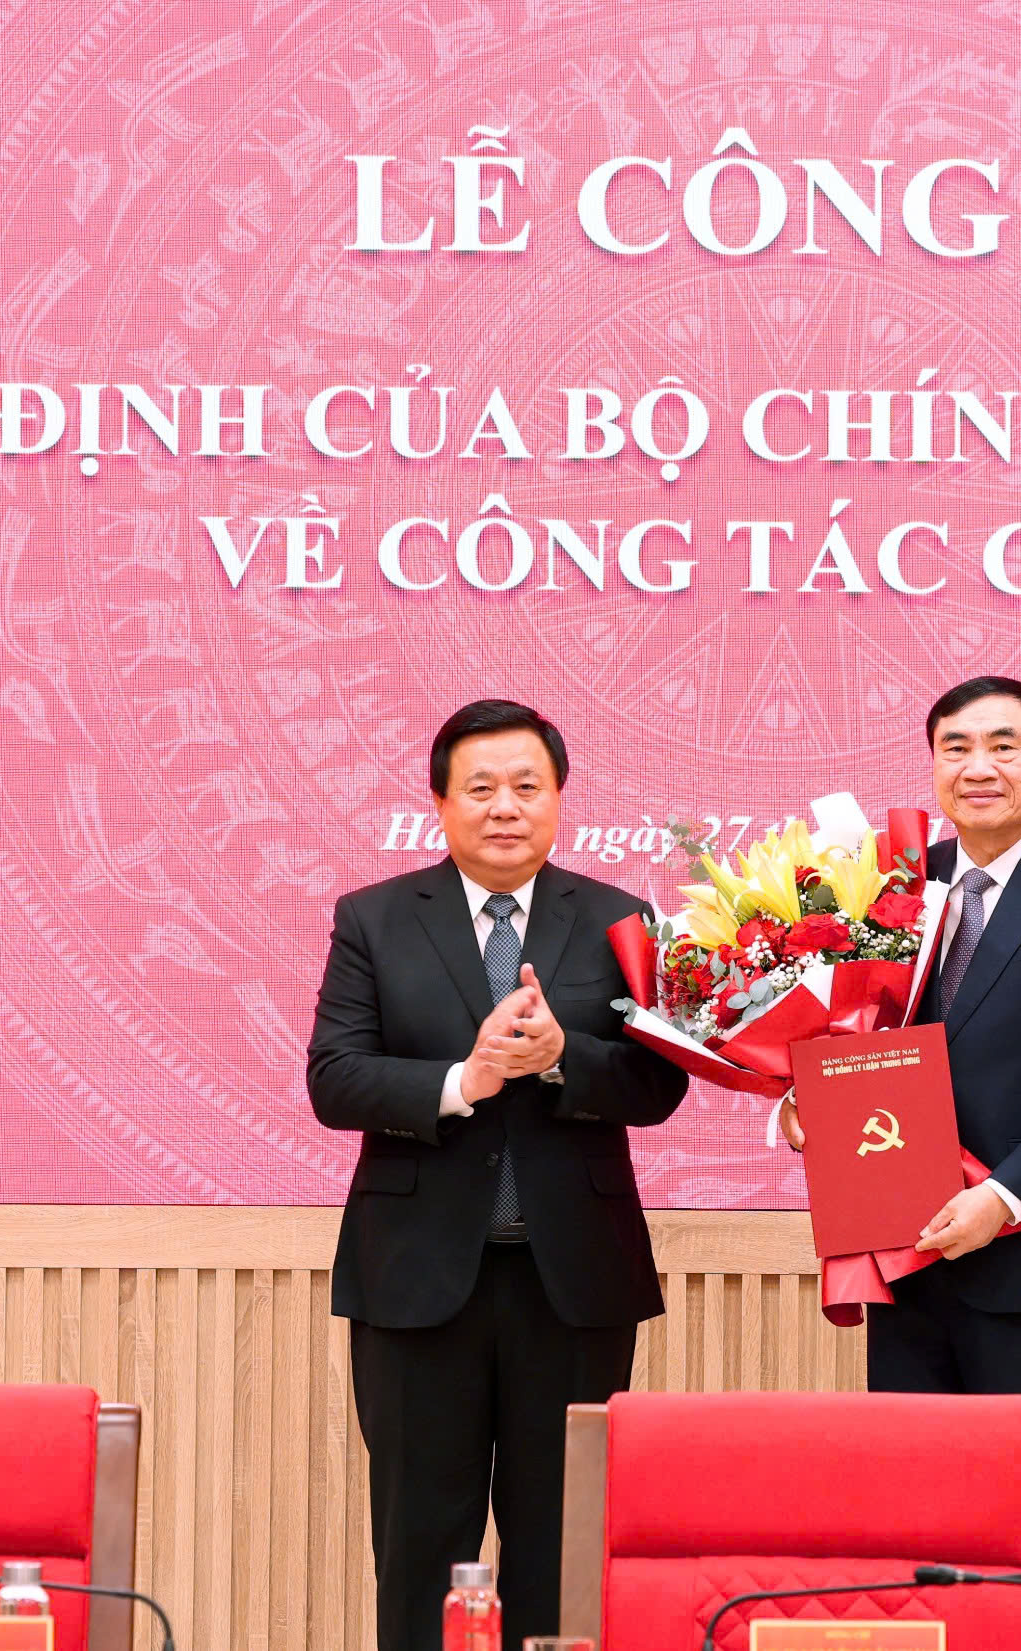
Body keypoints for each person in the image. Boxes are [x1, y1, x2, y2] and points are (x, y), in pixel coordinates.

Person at [307, 700, 689, 1651]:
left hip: (572, 1285)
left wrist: (564, 1058)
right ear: (440, 802)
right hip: (417, 1281)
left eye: (527, 785)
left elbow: (658, 1084)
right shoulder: (374, 918)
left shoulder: (618, 919)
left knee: (560, 1546)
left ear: (560, 798)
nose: (505, 806)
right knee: (420, 1546)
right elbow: (334, 1076)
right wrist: (463, 1080)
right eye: (480, 787)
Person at [785, 675, 1021, 1540]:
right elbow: (854, 1034)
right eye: (955, 748)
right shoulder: (893, 886)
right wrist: (807, 1103)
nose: (978, 767)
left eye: (1002, 746)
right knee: (912, 1519)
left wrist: (1001, 1198)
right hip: (905, 1252)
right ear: (933, 765)